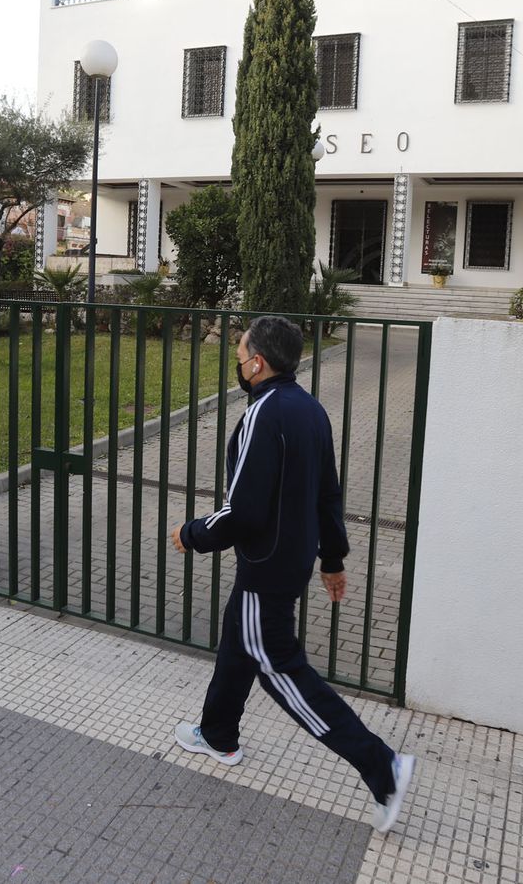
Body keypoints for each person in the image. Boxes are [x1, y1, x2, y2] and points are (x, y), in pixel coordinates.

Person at [168, 315, 416, 833]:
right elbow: (328, 494)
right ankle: (218, 734)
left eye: (239, 355)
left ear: (258, 363)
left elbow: (244, 511)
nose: (237, 363)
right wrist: (332, 559)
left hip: (267, 567)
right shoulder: (311, 411)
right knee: (240, 642)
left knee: (281, 670)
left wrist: (193, 533)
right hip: (291, 560)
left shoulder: (264, 413)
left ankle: (383, 767)